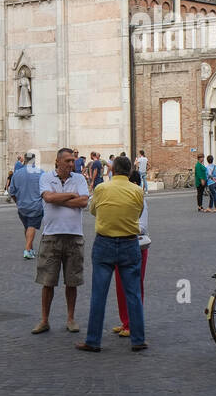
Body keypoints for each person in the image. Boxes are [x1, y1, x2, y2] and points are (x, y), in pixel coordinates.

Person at [76, 155, 147, 353]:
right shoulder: (137, 191)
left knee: (99, 294)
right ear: (130, 172)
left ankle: (93, 340)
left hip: (104, 243)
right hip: (130, 244)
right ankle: (138, 339)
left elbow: (92, 211)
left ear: (112, 170)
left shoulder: (101, 189)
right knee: (133, 294)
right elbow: (138, 213)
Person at [36, 148, 89, 335]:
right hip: (51, 235)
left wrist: (59, 200)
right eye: (67, 161)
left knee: (72, 281)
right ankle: (44, 320)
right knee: (47, 281)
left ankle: (71, 318)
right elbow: (48, 198)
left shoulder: (80, 179)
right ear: (57, 161)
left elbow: (84, 202)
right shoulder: (45, 177)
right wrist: (71, 195)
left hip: (74, 235)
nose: (71, 164)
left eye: (72, 161)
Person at [112, 168, 151, 339]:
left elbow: (142, 227)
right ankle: (125, 321)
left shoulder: (140, 199)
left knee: (134, 286)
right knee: (120, 287)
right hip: (119, 244)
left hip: (136, 246)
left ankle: (133, 323)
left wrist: (121, 225)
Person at [9, 149, 45, 259]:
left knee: (27, 226)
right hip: (35, 205)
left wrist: (17, 202)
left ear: (24, 160)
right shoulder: (41, 173)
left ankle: (30, 247)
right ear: (34, 160)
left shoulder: (17, 174)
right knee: (31, 226)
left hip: (22, 206)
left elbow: (12, 192)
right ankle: (27, 249)